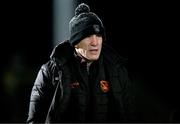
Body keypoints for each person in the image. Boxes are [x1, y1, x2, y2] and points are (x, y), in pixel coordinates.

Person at [27, 3, 137, 123]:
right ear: (75, 42)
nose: (95, 42)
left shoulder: (117, 70)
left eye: (99, 35)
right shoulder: (50, 72)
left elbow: (129, 116)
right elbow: (35, 119)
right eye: (88, 35)